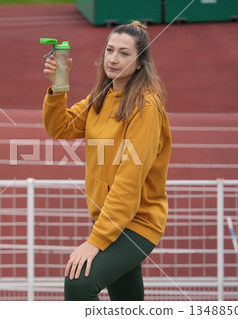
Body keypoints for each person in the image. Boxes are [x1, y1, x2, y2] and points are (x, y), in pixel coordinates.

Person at [42, 21, 172, 301]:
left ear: (139, 63)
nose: (113, 58)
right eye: (110, 50)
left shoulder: (145, 107)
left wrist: (95, 241)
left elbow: (129, 179)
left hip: (138, 221)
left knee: (78, 283)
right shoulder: (102, 96)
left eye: (124, 53)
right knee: (127, 301)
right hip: (111, 217)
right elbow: (60, 128)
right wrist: (57, 88)